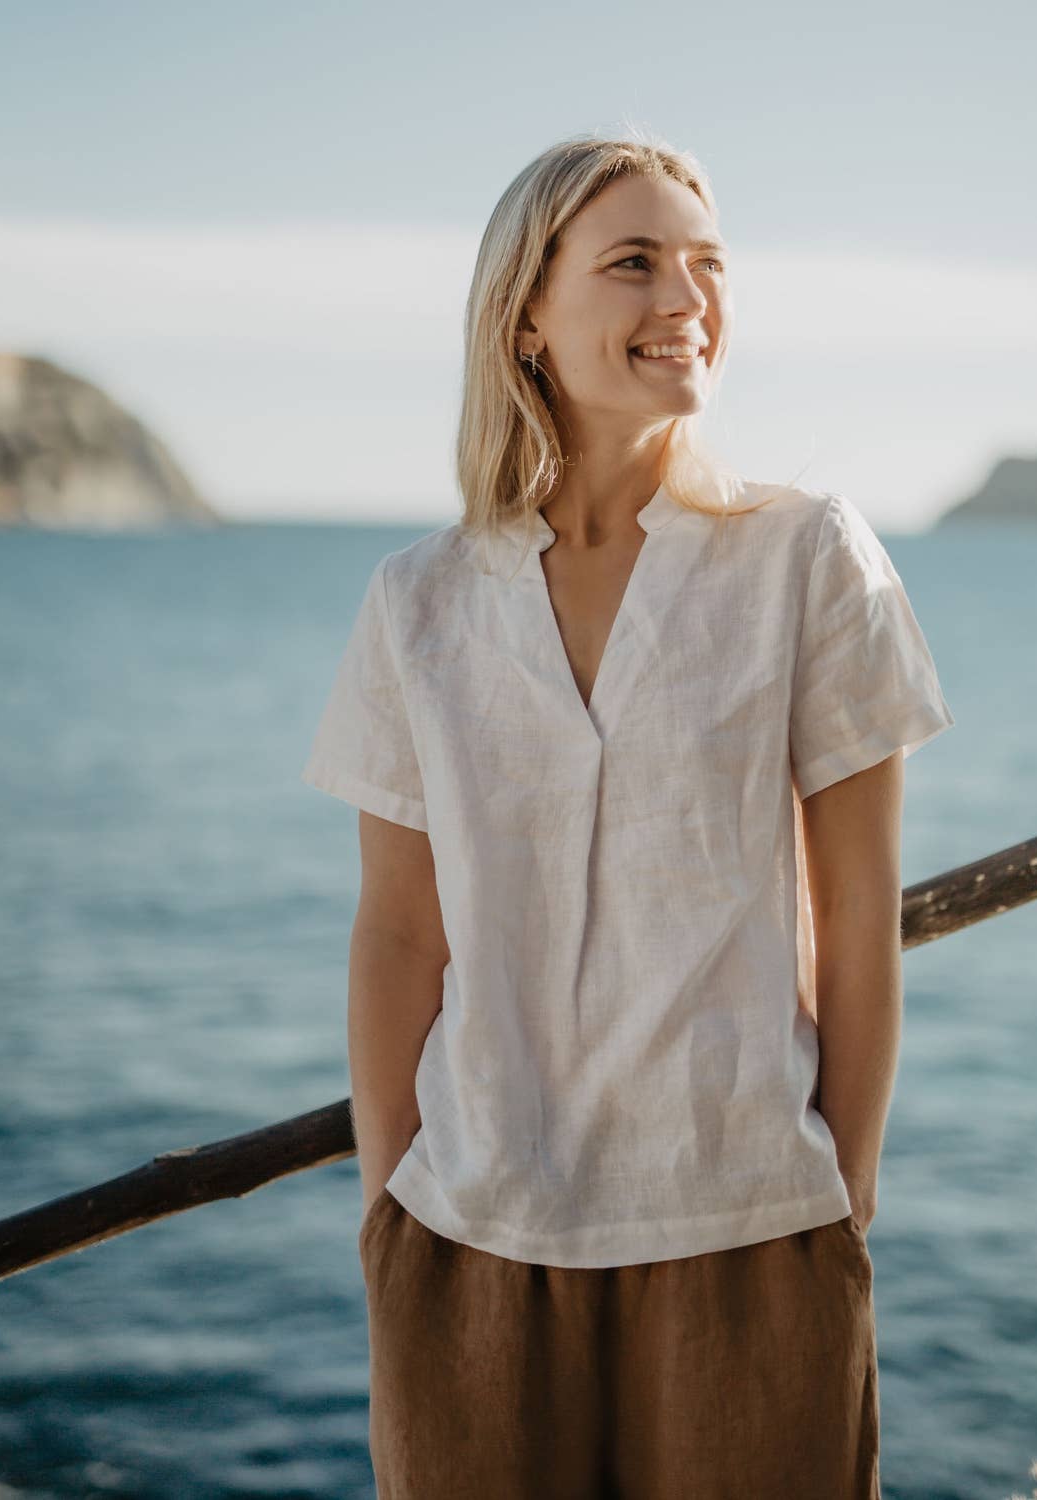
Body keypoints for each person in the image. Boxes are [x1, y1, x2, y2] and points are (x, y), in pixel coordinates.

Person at [302, 130, 955, 1499]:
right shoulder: (417, 601)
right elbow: (398, 931)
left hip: (747, 1225)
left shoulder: (806, 555)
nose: (686, 302)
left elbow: (857, 911)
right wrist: (384, 1208)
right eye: (635, 263)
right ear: (526, 314)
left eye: (708, 266)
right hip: (471, 1235)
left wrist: (844, 1194)